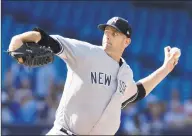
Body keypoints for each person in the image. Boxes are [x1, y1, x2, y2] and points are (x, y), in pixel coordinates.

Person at [8, 16, 180, 135]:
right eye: (106, 32)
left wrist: (165, 69)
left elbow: (136, 93)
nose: (108, 36)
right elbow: (51, 41)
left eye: (114, 33)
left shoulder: (126, 72)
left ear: (126, 41)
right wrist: (21, 37)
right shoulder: (87, 52)